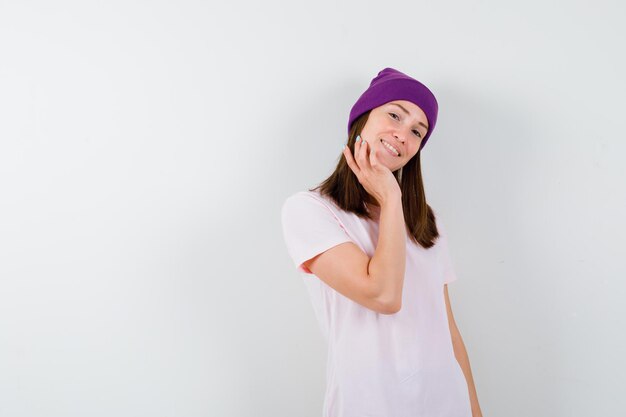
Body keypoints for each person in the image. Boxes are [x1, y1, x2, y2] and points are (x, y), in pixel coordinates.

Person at [280, 67, 483, 417]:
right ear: (362, 118)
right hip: (369, 405)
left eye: (417, 131)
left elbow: (449, 333)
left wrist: (475, 411)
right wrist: (391, 199)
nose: (403, 135)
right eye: (394, 115)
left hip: (446, 404)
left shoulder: (426, 223)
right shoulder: (309, 210)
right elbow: (384, 295)